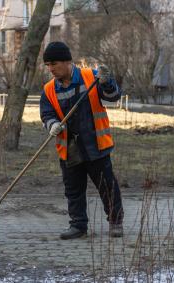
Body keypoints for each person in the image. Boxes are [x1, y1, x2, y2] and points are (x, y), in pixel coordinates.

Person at [39, 41, 124, 239]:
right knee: (73, 190)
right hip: (69, 148)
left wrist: (107, 82)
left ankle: (115, 222)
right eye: (48, 65)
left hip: (96, 144)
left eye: (54, 64)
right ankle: (78, 226)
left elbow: (113, 96)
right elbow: (46, 113)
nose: (51, 69)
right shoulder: (49, 90)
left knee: (107, 186)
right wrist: (52, 124)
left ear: (68, 62)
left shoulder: (91, 78)